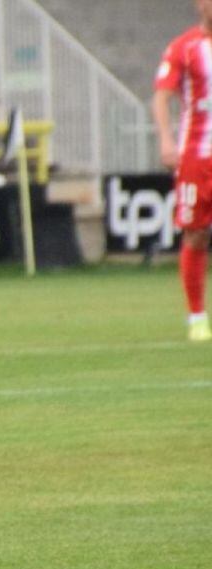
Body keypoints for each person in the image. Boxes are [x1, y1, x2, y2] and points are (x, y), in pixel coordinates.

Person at [153, 0, 212, 342]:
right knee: (196, 233)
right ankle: (196, 317)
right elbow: (161, 96)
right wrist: (165, 140)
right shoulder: (184, 47)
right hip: (196, 157)